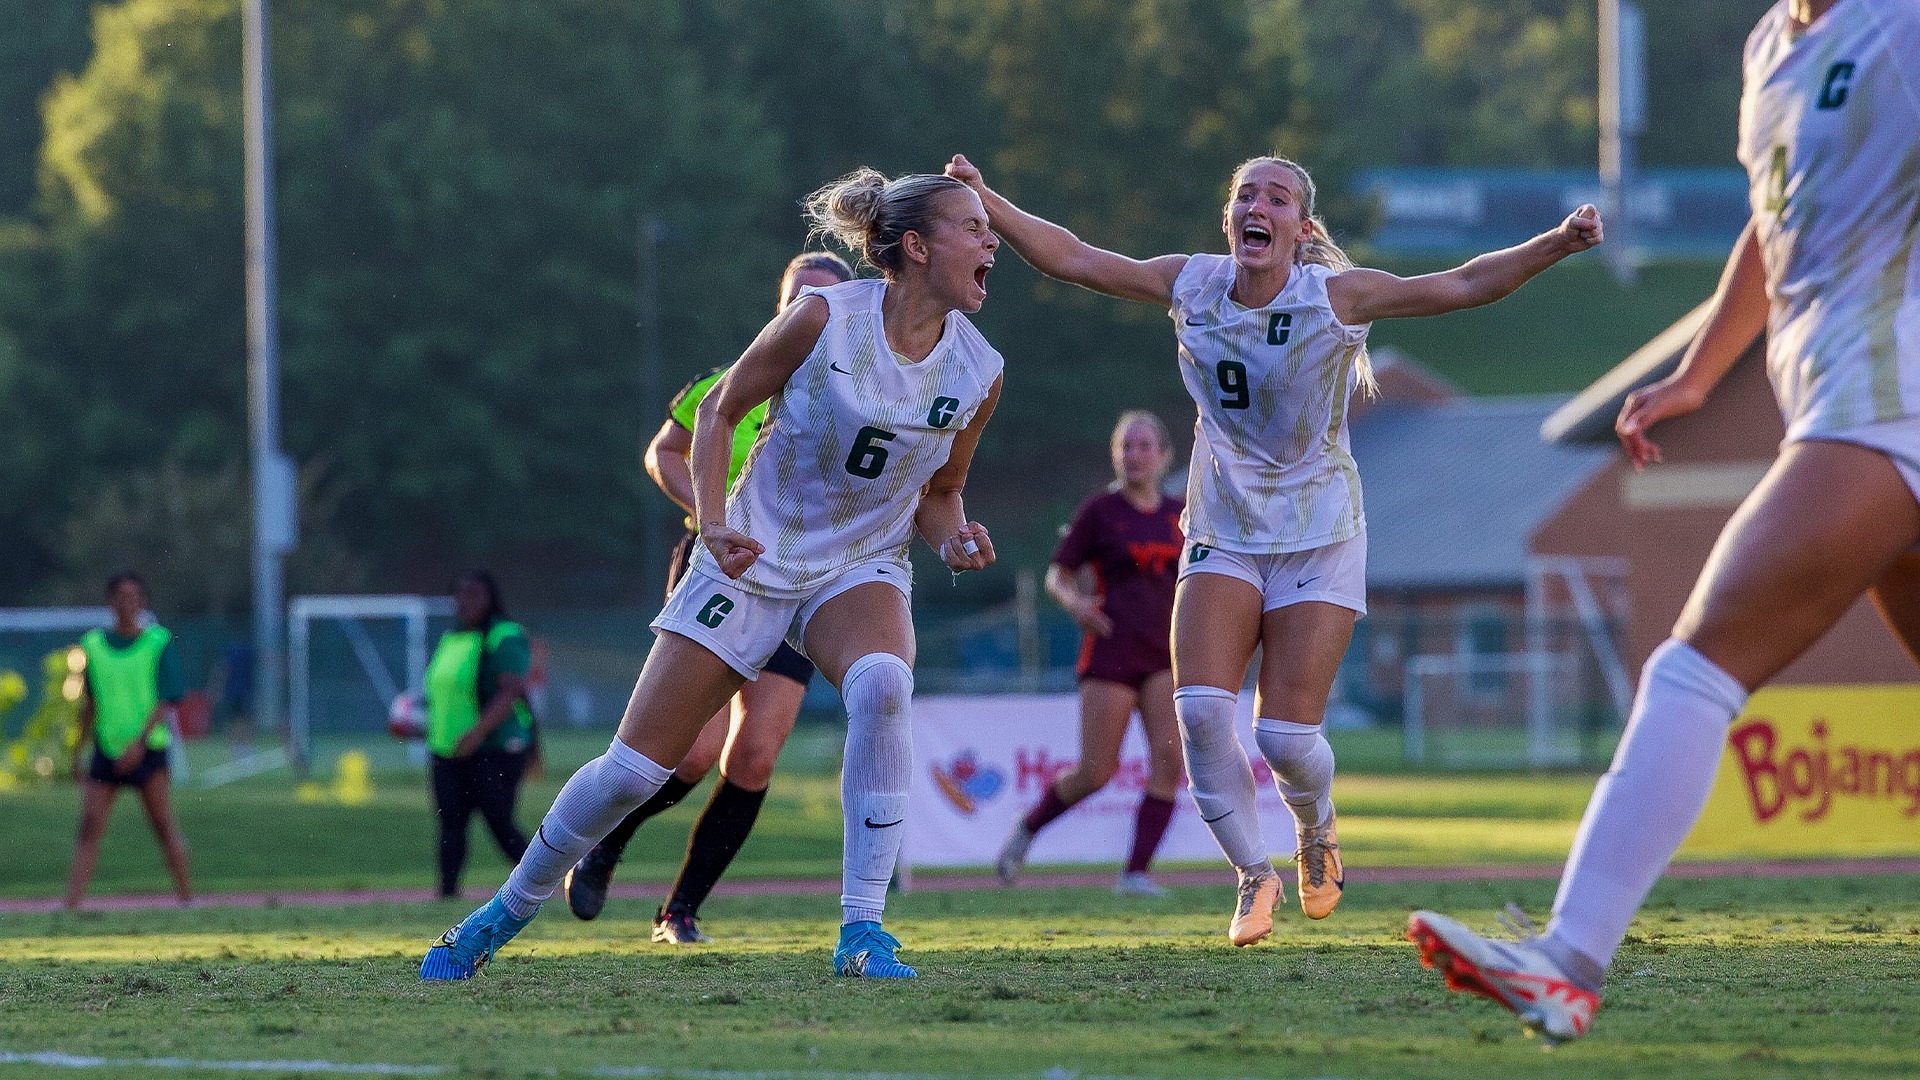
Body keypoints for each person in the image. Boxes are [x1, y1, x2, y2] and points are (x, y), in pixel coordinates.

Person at [1408, 0, 1919, 1044]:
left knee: (1695, 666)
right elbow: (1778, 226)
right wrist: (1697, 375)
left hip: (1886, 405)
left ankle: (1568, 959)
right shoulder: (1771, 47)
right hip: (1845, 403)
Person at [946, 153, 1601, 947]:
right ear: (1230, 221)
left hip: (1319, 533)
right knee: (1200, 716)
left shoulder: (1335, 296)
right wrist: (989, 199)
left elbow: (1461, 283)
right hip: (1222, 529)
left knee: (1286, 739)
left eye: (1277, 197)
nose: (1258, 206)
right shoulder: (1189, 282)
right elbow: (1076, 257)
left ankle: (1315, 825)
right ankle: (1253, 875)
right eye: (1245, 195)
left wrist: (1557, 243)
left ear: (1302, 229)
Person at [422, 165, 1004, 981]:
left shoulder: (979, 369)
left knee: (882, 686)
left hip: (859, 565)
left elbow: (941, 493)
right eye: (974, 227)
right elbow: (722, 409)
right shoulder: (823, 319)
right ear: (915, 245)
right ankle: (498, 916)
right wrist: (718, 523)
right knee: (635, 772)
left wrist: (952, 540)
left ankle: (862, 933)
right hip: (755, 554)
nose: (991, 240)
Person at [562, 251, 856, 943]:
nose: (810, 313)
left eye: (827, 302)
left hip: (798, 583)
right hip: (720, 573)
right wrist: (715, 515)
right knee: (692, 754)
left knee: (754, 755)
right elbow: (664, 452)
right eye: (798, 299)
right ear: (779, 307)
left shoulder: (860, 397)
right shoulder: (734, 382)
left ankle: (680, 910)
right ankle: (602, 842)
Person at [996, 410, 1185, 898]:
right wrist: (1075, 602)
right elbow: (1057, 576)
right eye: (1126, 446)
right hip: (1112, 653)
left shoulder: (1181, 514)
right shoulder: (1100, 511)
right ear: (1114, 455)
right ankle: (1028, 829)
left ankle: (1136, 874)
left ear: (1164, 456)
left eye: (1144, 446)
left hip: (1165, 655)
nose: (1134, 455)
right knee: (1097, 772)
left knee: (1170, 762)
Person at [65, 572, 192, 909]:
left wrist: (140, 742)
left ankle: (187, 900)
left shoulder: (158, 641)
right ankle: (70, 905)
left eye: (134, 596)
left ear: (143, 602)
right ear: (111, 601)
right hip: (106, 749)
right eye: (121, 596)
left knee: (163, 825)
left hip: (147, 750)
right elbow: (90, 702)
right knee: (89, 826)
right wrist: (77, 749)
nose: (127, 602)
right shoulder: (92, 644)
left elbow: (168, 698)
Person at [424, 570, 538, 899]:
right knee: (451, 822)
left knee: (499, 820)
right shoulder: (452, 639)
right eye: (460, 595)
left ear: (491, 597)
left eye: (475, 594)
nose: (466, 602)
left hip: (493, 747)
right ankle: (446, 894)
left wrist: (477, 732)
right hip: (447, 748)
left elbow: (511, 690)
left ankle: (543, 881)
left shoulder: (504, 635)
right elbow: (443, 692)